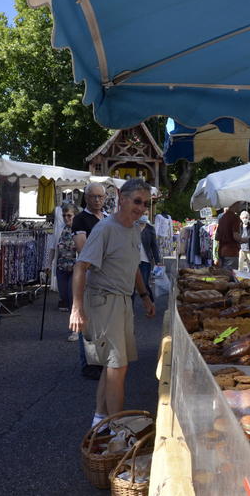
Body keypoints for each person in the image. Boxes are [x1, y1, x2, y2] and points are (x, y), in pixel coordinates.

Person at [69, 179, 156, 428]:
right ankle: (116, 428)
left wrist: (145, 296)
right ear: (121, 197)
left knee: (113, 365)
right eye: (137, 201)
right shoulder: (105, 228)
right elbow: (81, 266)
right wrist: (76, 308)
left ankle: (101, 420)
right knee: (118, 366)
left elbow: (134, 268)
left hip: (122, 302)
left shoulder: (133, 229)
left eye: (145, 203)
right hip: (104, 302)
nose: (141, 208)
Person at [71, 182, 109, 379]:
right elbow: (83, 249)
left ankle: (102, 359)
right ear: (86, 198)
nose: (97, 200)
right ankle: (88, 363)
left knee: (104, 320)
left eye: (100, 197)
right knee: (86, 322)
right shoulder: (80, 219)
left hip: (107, 277)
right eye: (93, 196)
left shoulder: (109, 218)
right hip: (89, 275)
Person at [47, 202, 80, 341]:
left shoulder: (80, 230)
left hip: (76, 269)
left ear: (75, 216)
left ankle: (76, 330)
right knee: (65, 297)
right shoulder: (60, 229)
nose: (67, 218)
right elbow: (53, 248)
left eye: (69, 215)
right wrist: (48, 265)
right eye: (64, 215)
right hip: (61, 267)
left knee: (74, 300)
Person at [135, 210, 161, 305]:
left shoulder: (150, 229)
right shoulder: (132, 226)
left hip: (145, 260)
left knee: (144, 283)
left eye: (146, 214)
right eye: (142, 214)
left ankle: (151, 302)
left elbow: (154, 246)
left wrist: (157, 260)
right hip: (132, 260)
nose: (144, 216)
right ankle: (130, 310)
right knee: (132, 286)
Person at [215, 201, 248, 271]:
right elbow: (235, 236)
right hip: (231, 252)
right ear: (234, 204)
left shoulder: (222, 218)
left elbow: (217, 237)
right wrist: (244, 240)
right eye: (239, 204)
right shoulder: (235, 217)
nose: (240, 207)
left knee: (223, 277)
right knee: (230, 277)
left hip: (221, 251)